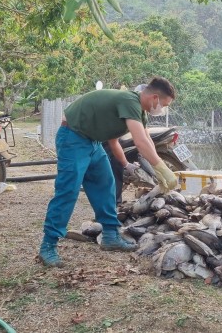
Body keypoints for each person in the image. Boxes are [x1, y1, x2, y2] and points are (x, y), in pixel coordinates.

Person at [37, 77, 179, 267]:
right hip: (73, 137)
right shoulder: (130, 101)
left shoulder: (139, 111)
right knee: (68, 191)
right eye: (163, 104)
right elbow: (140, 142)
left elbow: (144, 139)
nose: (162, 109)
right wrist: (163, 168)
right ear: (154, 97)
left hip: (93, 142)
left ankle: (110, 236)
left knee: (106, 184)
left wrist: (144, 166)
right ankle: (48, 245)